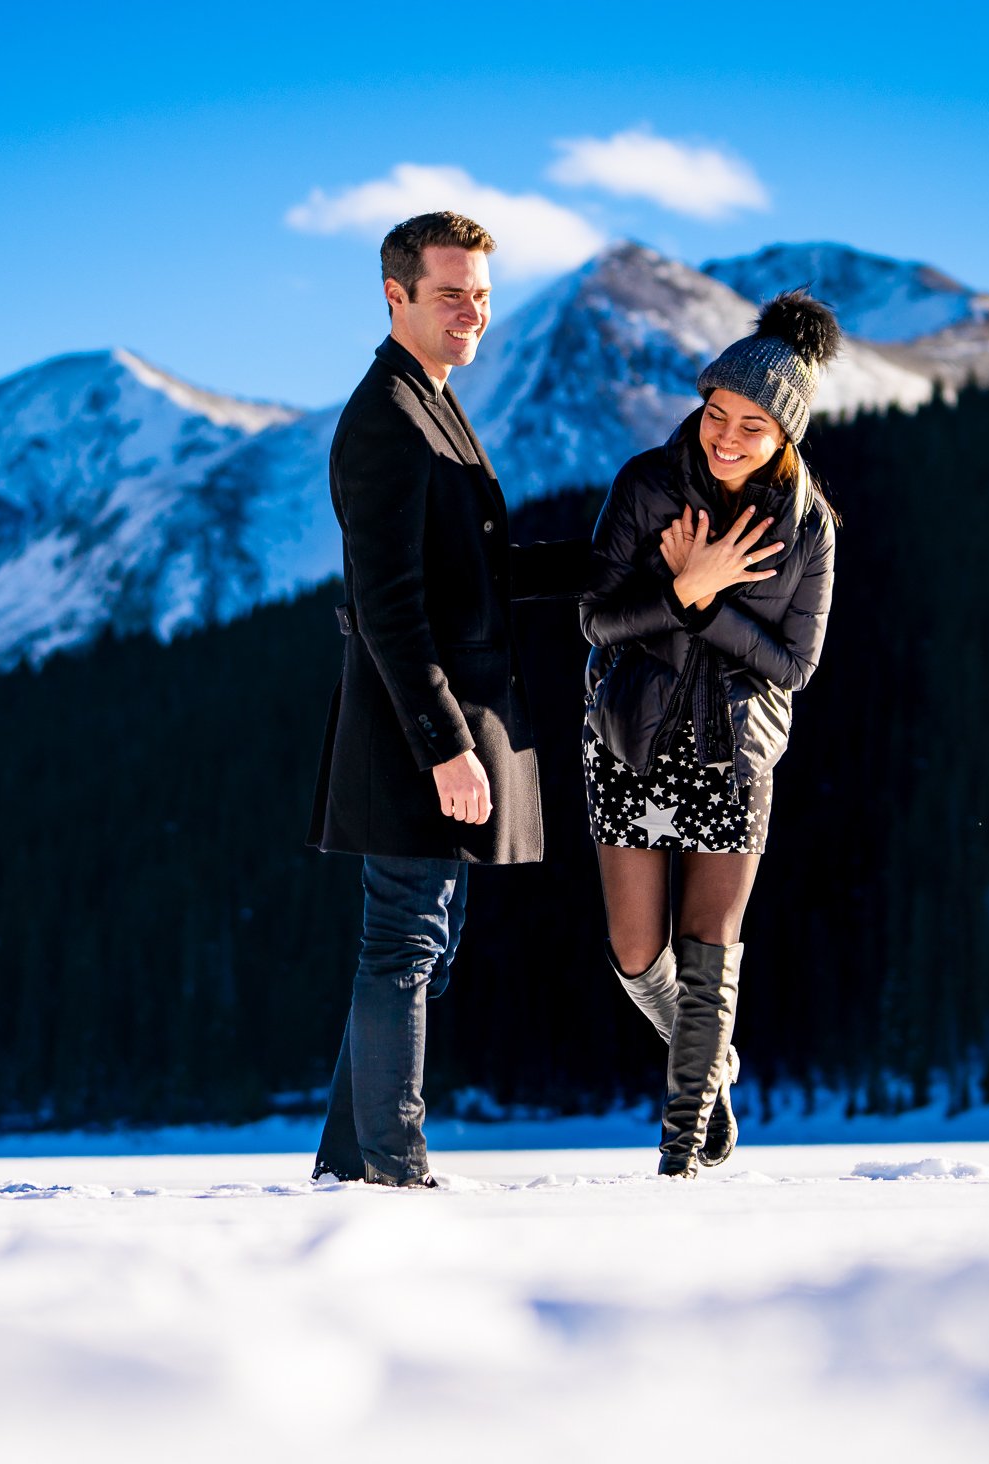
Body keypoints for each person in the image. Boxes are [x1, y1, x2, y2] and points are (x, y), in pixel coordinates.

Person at [306, 211, 589, 1186]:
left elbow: (479, 572)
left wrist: (614, 562)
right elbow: (387, 604)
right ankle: (392, 1164)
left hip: (437, 723)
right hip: (409, 729)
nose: (472, 313)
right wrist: (444, 744)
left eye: (481, 295)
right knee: (406, 937)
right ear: (396, 296)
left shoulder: (430, 397)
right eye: (450, 295)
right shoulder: (385, 415)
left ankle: (353, 1160)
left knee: (425, 939)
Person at [578, 291, 842, 1177]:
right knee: (634, 950)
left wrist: (706, 595)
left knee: (709, 952)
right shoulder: (646, 485)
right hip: (631, 738)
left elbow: (794, 665)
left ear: (785, 438)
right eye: (717, 414)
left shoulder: (809, 527)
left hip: (736, 751)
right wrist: (681, 590)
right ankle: (714, 1066)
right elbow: (597, 620)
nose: (725, 437)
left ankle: (682, 1153)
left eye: (752, 426)